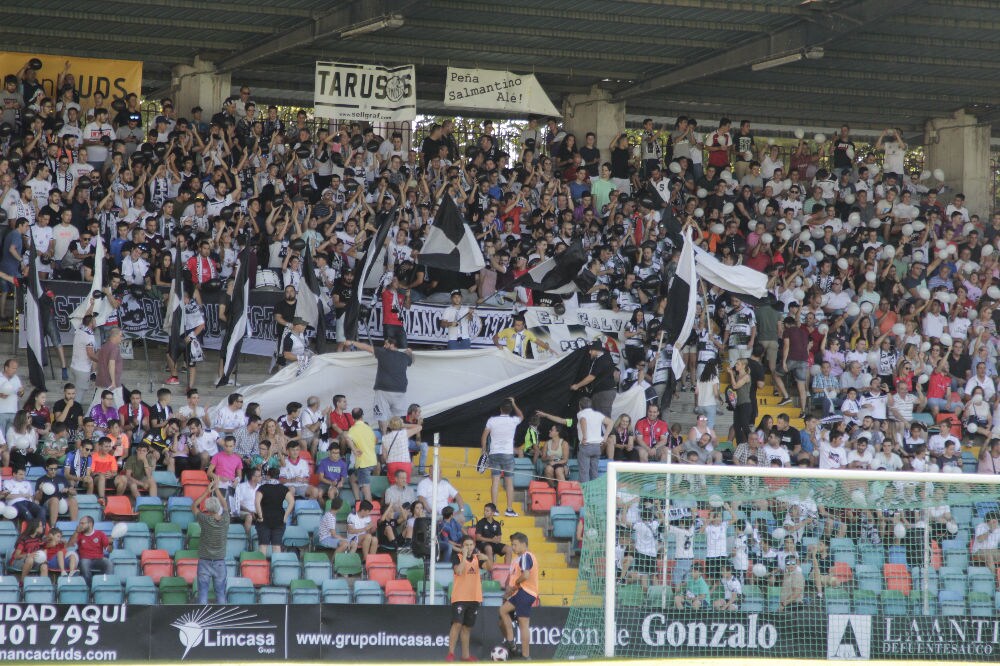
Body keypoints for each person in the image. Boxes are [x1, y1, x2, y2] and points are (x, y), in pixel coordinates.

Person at [346, 338, 412, 432]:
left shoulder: (383, 352)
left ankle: (385, 438)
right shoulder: (404, 356)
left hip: (383, 389)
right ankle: (395, 439)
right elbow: (411, 360)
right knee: (397, 418)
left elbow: (367, 347)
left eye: (386, 344)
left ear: (392, 345)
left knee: (381, 415)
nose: (384, 346)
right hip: (400, 390)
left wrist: (352, 342)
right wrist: (409, 352)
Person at [446, 535, 493, 662]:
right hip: (460, 597)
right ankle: (450, 654)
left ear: (474, 546)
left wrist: (487, 558)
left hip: (474, 597)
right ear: (462, 547)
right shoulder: (457, 557)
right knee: (457, 624)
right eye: (466, 545)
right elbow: (459, 571)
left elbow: (489, 568)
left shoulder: (477, 558)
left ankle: (465, 656)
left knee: (467, 627)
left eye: (471, 545)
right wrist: (464, 557)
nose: (469, 547)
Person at [481, 398, 523, 517]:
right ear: (510, 410)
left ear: (500, 409)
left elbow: (484, 436)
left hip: (494, 453)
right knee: (509, 482)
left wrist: (484, 451)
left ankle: (494, 509)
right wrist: (514, 403)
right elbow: (521, 416)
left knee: (495, 482)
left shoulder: (492, 420)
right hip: (507, 454)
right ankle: (509, 509)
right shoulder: (513, 420)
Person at [499, 533, 538, 660]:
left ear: (523, 544)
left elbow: (525, 575)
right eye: (512, 545)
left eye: (515, 545)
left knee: (523, 624)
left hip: (526, 592)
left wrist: (515, 584)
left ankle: (526, 656)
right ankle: (511, 643)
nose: (513, 547)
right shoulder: (519, 559)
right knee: (503, 611)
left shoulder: (526, 556)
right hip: (519, 592)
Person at [192, 479, 229, 604]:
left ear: (207, 509)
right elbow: (225, 506)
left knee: (203, 592)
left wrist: (207, 492)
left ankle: (202, 621)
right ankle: (221, 620)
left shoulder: (204, 519)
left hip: (204, 561)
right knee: (220, 593)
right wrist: (217, 489)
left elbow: (194, 506)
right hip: (219, 562)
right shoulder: (224, 520)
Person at [255, 467, 294, 556]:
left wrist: (260, 516)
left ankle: (262, 568)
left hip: (264, 519)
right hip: (279, 519)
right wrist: (285, 516)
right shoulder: (283, 488)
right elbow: (291, 502)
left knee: (263, 546)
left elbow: (257, 502)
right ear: (278, 476)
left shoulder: (262, 488)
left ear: (268, 476)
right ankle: (277, 568)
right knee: (276, 546)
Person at [570, 341, 617, 417]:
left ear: (596, 350)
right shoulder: (602, 357)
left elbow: (591, 377)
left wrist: (577, 386)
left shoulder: (602, 359)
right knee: (597, 417)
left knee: (604, 417)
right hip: (602, 392)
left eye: (590, 350)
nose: (589, 352)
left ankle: (608, 429)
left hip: (604, 392)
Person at [69, 515, 111, 583]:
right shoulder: (79, 534)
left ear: (90, 524)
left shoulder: (100, 534)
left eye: (82, 523)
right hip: (85, 559)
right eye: (80, 523)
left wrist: (111, 544)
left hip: (99, 559)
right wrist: (76, 532)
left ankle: (107, 584)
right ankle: (89, 587)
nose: (80, 525)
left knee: (108, 563)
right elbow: (70, 544)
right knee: (84, 563)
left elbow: (109, 550)